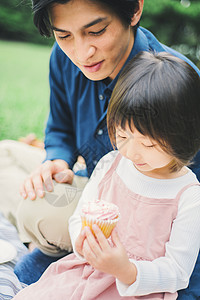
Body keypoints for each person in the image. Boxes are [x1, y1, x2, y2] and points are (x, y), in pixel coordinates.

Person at [0, 0, 199, 296]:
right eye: (64, 35)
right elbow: (59, 128)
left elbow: (186, 223)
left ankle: (44, 240)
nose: (81, 53)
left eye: (96, 31)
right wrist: (57, 160)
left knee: (35, 208)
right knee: (4, 153)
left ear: (134, 11)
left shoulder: (177, 89)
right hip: (97, 184)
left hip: (140, 221)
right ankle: (48, 236)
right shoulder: (63, 59)